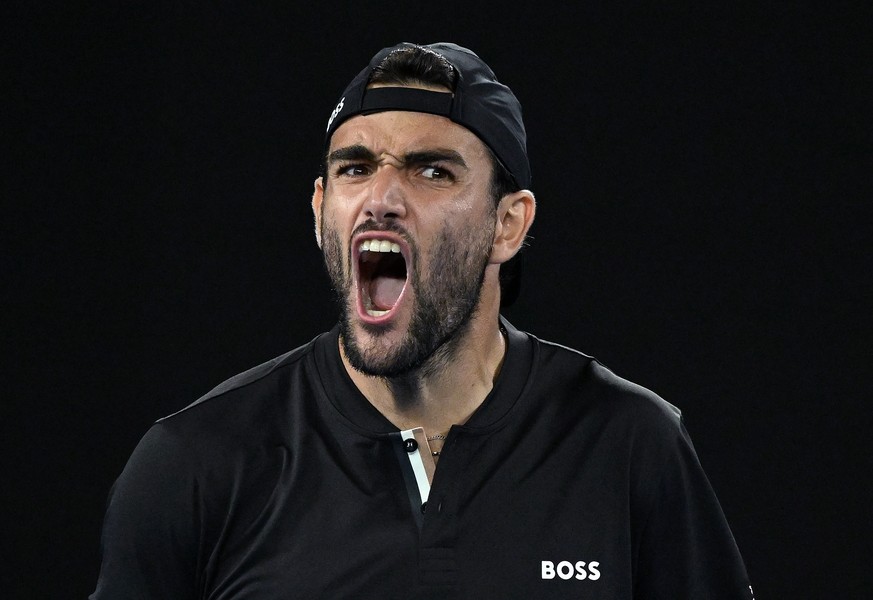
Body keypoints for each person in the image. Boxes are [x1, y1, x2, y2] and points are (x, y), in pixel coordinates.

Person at [91, 42, 753, 599]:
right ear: (322, 208)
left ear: (507, 223)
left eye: (431, 170)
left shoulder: (630, 445)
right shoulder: (196, 464)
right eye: (355, 168)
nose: (380, 199)